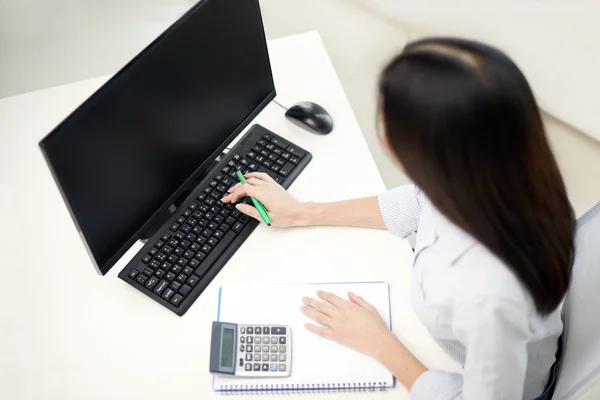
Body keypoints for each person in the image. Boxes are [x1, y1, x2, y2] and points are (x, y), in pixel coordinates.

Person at [222, 37, 575, 400]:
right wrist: (304, 212)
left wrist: (380, 344)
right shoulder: (500, 174)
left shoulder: (490, 295)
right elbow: (420, 203)